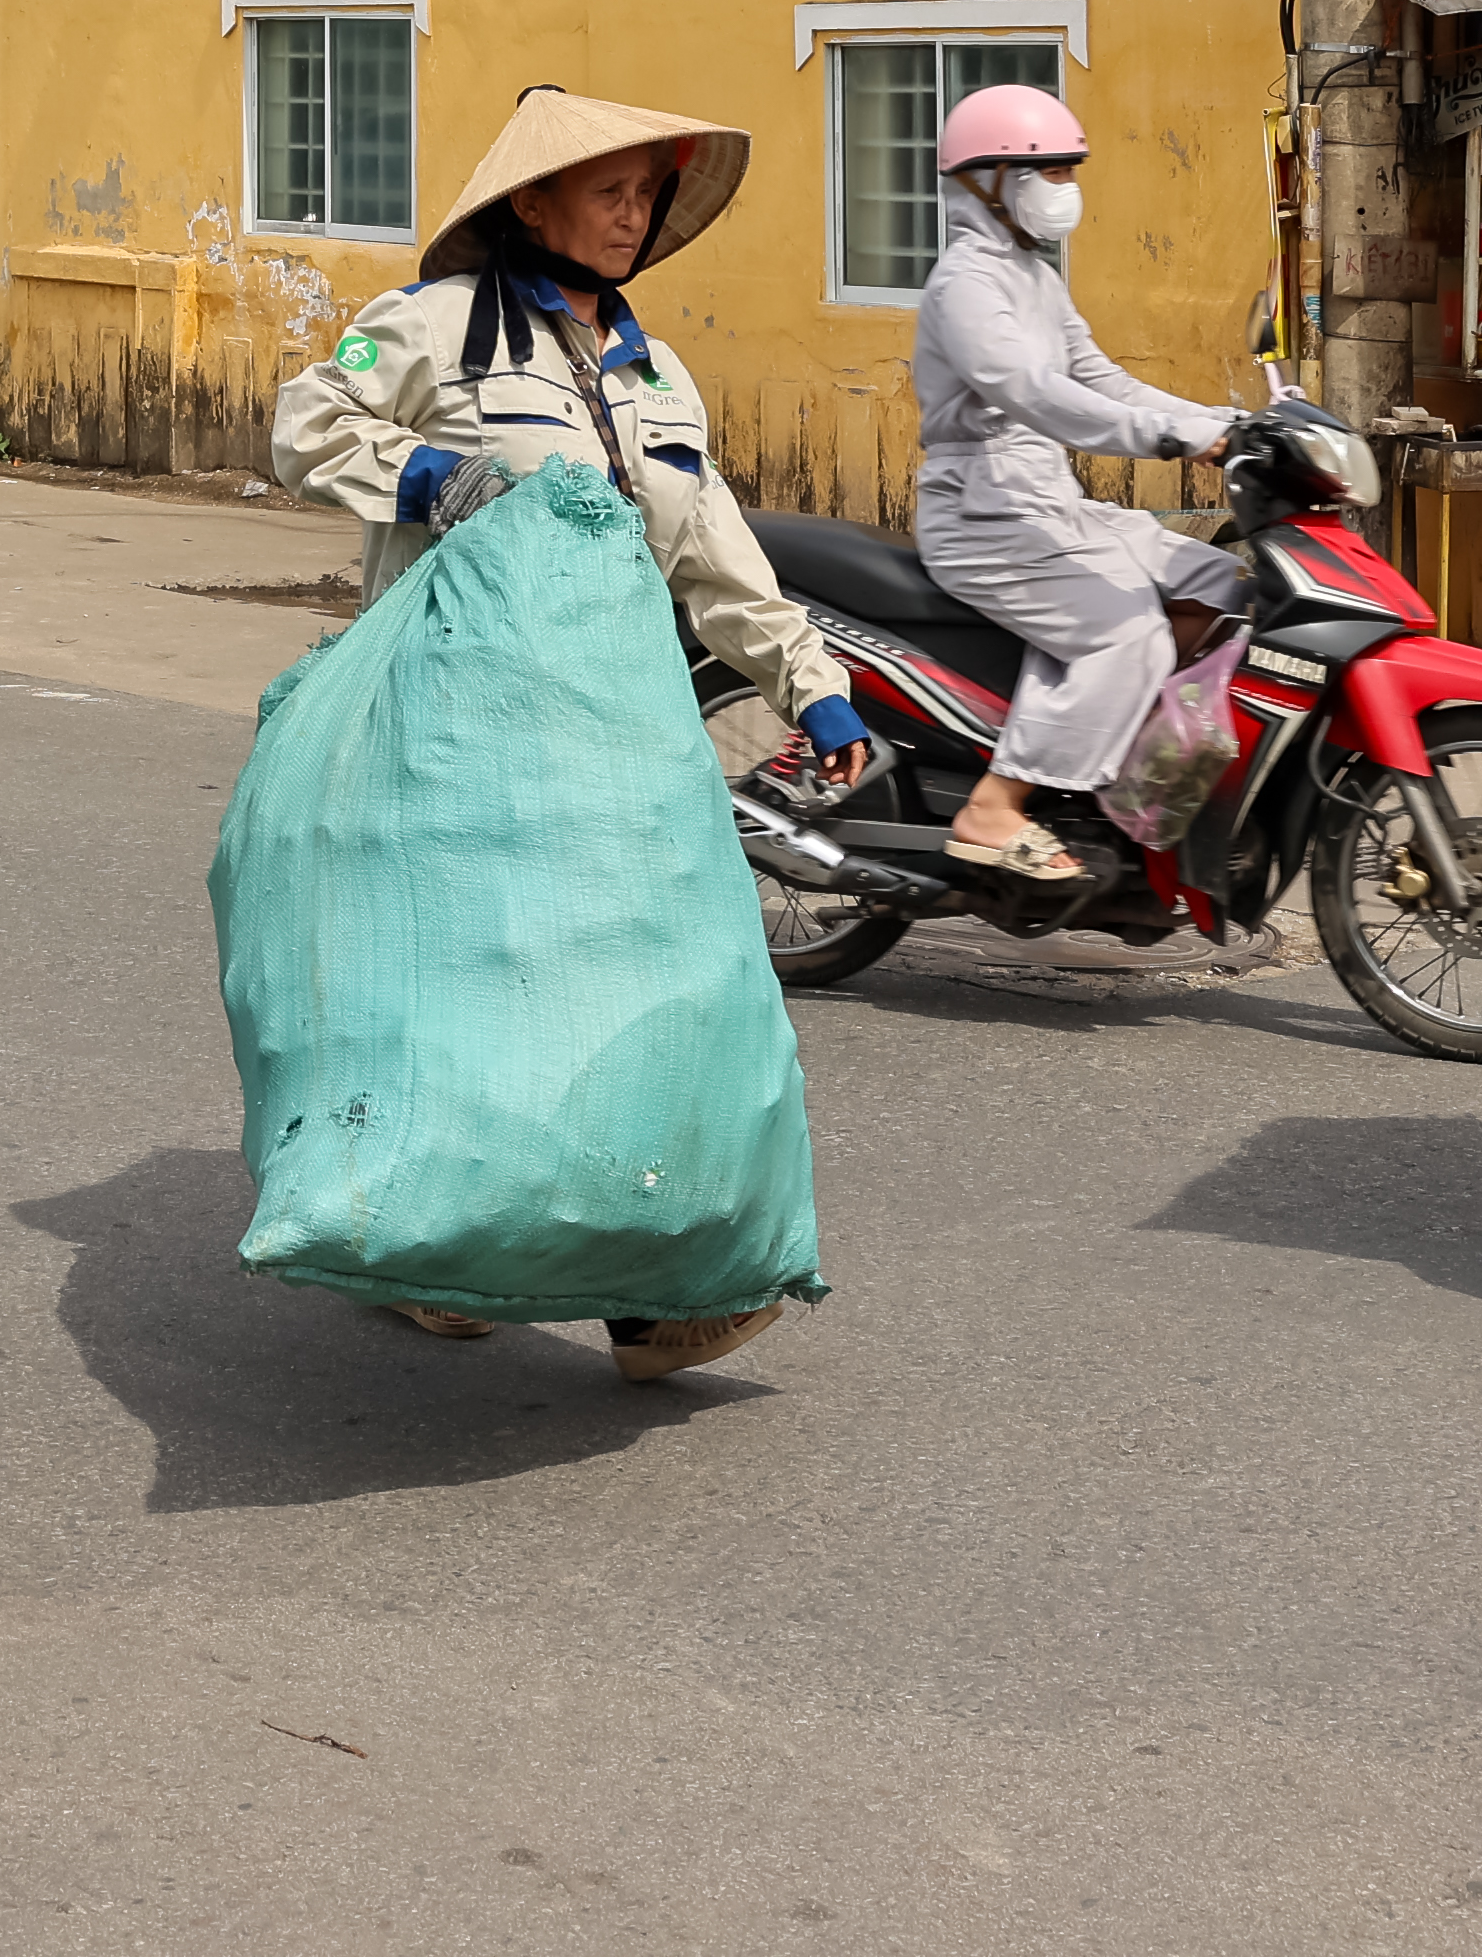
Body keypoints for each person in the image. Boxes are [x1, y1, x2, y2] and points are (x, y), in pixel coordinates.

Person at [267, 83, 867, 1378]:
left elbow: (711, 548)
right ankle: (435, 1248)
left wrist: (808, 684)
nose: (632, 214)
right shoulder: (433, 328)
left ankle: (655, 1294)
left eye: (647, 194)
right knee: (474, 1009)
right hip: (457, 729)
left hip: (618, 737)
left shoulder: (658, 375)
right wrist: (434, 477)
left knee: (642, 1008)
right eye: (610, 190)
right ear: (531, 203)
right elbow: (305, 423)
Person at [909, 83, 1249, 883]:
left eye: (1068, 171)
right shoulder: (965, 283)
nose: (1065, 189)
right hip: (981, 514)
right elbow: (1033, 393)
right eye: (1049, 173)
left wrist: (1226, 419)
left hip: (1043, 501)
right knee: (1128, 635)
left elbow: (1102, 378)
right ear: (989, 181)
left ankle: (1116, 770)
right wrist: (1169, 438)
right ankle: (995, 807)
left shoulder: (1030, 275)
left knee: (1220, 583)